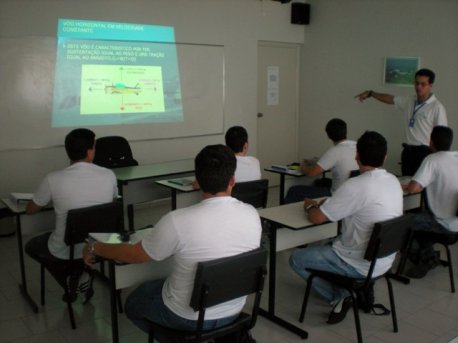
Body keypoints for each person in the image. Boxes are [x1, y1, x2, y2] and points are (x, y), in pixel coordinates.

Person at [83, 144, 262, 340]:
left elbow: (135, 255)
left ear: (197, 182)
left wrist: (95, 246)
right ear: (232, 180)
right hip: (234, 311)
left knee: (133, 303)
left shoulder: (177, 221)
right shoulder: (252, 214)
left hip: (187, 317)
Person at [289, 131, 403, 324]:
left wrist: (310, 206)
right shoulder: (393, 181)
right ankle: (348, 291)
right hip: (384, 261)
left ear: (356, 156)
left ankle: (341, 294)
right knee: (334, 240)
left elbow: (317, 218)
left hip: (357, 264)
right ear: (385, 156)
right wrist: (333, 202)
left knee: (296, 259)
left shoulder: (355, 185)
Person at [25, 128, 118, 302]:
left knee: (32, 246)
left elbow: (30, 211)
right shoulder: (109, 175)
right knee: (72, 239)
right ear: (90, 151)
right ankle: (81, 271)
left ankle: (71, 276)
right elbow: (111, 203)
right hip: (99, 245)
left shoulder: (52, 179)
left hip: (66, 248)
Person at [355, 68, 447, 176]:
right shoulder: (409, 100)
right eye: (416, 83)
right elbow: (390, 99)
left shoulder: (437, 107)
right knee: (407, 185)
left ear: (430, 85)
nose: (418, 87)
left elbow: (442, 136)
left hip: (425, 153)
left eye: (423, 84)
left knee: (422, 188)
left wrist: (438, 158)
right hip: (408, 151)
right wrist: (371, 93)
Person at [403, 126, 458, 278]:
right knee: (421, 217)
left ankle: (426, 259)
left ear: (431, 142)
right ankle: (429, 253)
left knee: (400, 225)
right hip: (455, 220)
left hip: (443, 223)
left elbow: (414, 188)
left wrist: (405, 185)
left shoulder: (432, 160)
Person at [284, 118, 358, 203]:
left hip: (337, 195)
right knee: (320, 182)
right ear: (345, 131)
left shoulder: (335, 151)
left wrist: (303, 165)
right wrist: (318, 160)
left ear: (328, 135)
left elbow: (311, 173)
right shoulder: (356, 145)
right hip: (352, 193)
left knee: (294, 190)